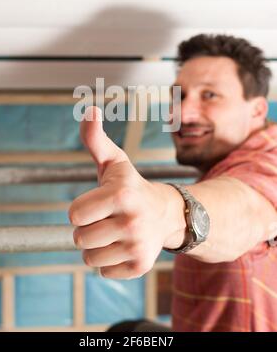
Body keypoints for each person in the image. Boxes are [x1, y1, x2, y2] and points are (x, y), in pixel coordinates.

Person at [69, 35, 277, 332]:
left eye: (209, 96)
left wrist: (166, 214)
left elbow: (251, 209)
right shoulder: (221, 170)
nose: (183, 113)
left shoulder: (270, 158)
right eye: (179, 96)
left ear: (257, 110)